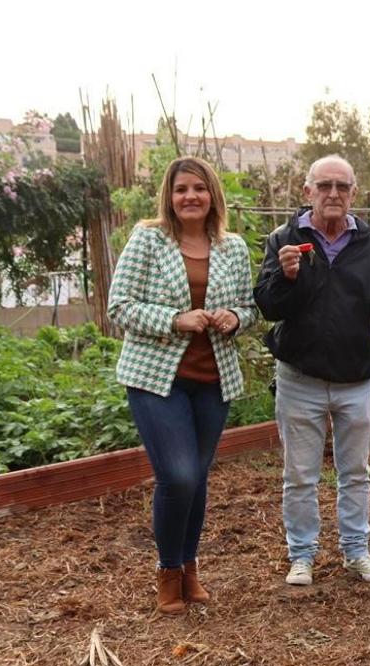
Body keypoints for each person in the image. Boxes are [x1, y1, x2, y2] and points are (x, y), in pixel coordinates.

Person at [107, 156, 258, 614]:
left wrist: (234, 318)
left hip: (213, 381)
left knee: (197, 476)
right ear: (169, 198)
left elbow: (250, 308)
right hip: (156, 380)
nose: (190, 196)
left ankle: (190, 569)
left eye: (198, 188)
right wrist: (175, 319)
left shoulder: (233, 247)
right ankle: (168, 571)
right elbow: (120, 305)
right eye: (181, 189)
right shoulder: (148, 239)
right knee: (178, 475)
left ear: (213, 194)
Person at [254, 154, 370, 586]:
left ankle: (356, 551)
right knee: (300, 475)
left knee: (356, 472)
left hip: (356, 379)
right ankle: (302, 555)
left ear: (353, 193)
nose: (334, 194)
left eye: (342, 187)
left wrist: (353, 339)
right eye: (325, 186)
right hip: (300, 378)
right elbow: (268, 305)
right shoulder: (284, 240)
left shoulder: (368, 247)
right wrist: (287, 277)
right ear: (307, 191)